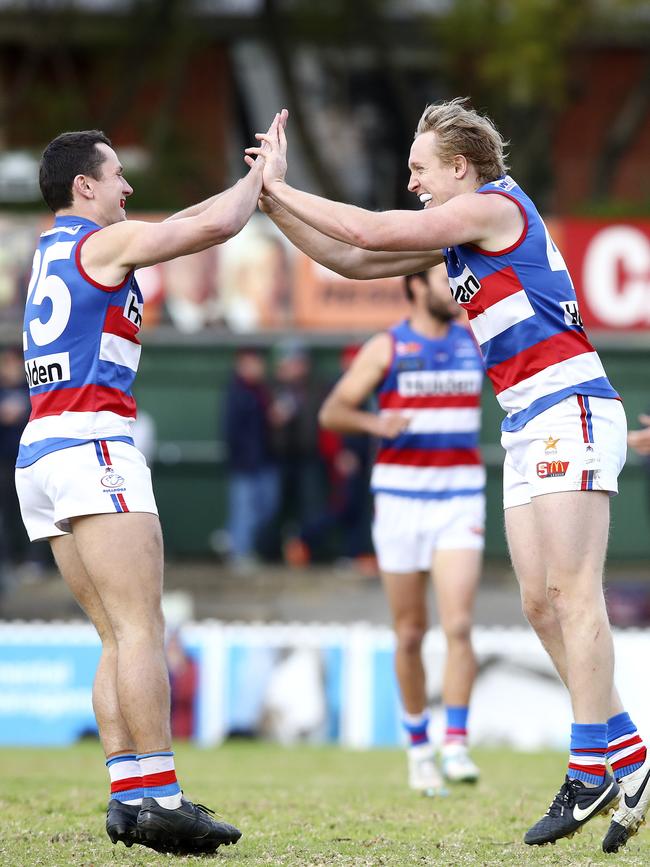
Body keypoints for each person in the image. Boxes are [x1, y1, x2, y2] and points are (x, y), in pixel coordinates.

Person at [246, 99, 650, 853]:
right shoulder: (464, 230)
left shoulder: (493, 207)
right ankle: (628, 755)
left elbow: (368, 228)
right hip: (528, 418)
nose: (411, 182)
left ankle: (590, 761)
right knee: (538, 603)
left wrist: (283, 182)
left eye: (419, 169)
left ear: (461, 167)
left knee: (574, 593)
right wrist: (270, 200)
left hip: (569, 404)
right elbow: (353, 260)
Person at [15, 114, 286, 855]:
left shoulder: (48, 251)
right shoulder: (105, 241)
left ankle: (128, 793)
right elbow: (214, 226)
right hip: (92, 439)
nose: (128, 187)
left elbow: (189, 219)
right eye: (116, 175)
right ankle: (164, 795)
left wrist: (233, 191)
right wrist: (264, 175)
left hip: (40, 450)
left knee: (112, 632)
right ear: (84, 185)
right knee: (142, 627)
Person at [319, 264, 485, 794]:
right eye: (445, 279)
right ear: (416, 286)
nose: (456, 288)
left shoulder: (475, 341)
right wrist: (375, 423)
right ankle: (419, 748)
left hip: (460, 498)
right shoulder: (387, 347)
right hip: (399, 500)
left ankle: (454, 742)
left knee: (458, 627)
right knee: (410, 632)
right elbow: (332, 412)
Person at [222, 347, 279, 571]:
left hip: (266, 459)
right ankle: (239, 552)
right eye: (251, 362)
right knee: (244, 510)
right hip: (244, 463)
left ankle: (230, 537)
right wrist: (241, 458)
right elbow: (231, 431)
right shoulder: (236, 391)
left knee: (266, 507)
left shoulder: (263, 390)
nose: (257, 367)